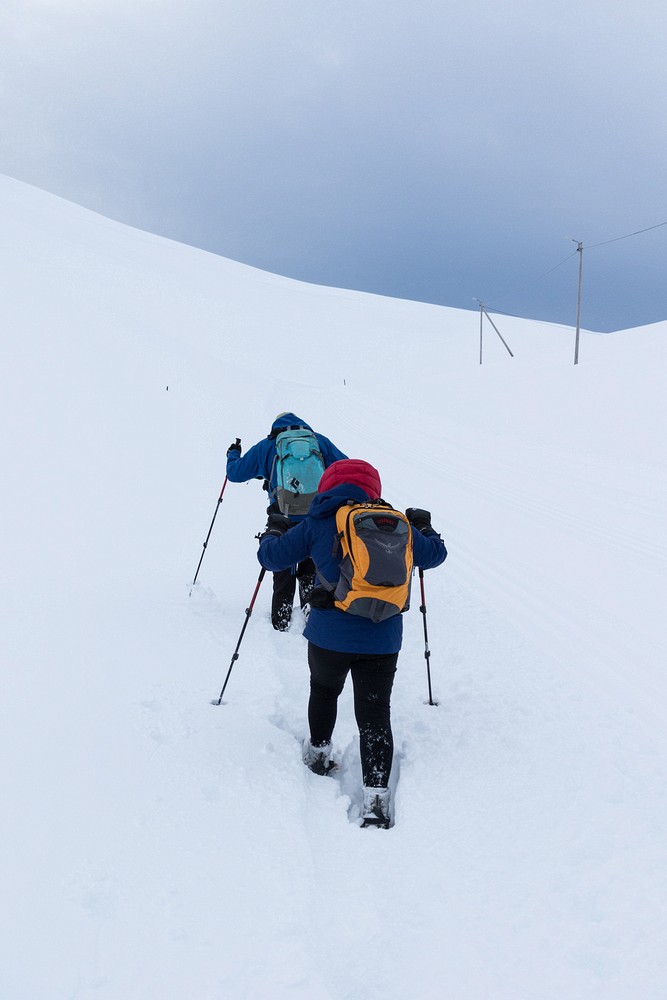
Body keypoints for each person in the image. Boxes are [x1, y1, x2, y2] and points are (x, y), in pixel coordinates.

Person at [256, 458, 447, 828]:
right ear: (373, 488)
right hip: (383, 640)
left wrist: (272, 530)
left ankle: (318, 755)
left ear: (328, 484)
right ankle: (375, 796)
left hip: (329, 636)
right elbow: (435, 555)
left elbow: (271, 557)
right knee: (375, 715)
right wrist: (424, 526)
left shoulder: (319, 521)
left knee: (324, 692)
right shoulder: (396, 524)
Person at [226, 412, 347, 631]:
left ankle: (281, 620)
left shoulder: (268, 446)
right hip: (316, 516)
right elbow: (346, 468)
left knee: (283, 567)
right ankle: (310, 610)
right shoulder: (319, 442)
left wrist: (233, 454)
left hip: (282, 517)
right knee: (312, 567)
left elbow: (234, 474)